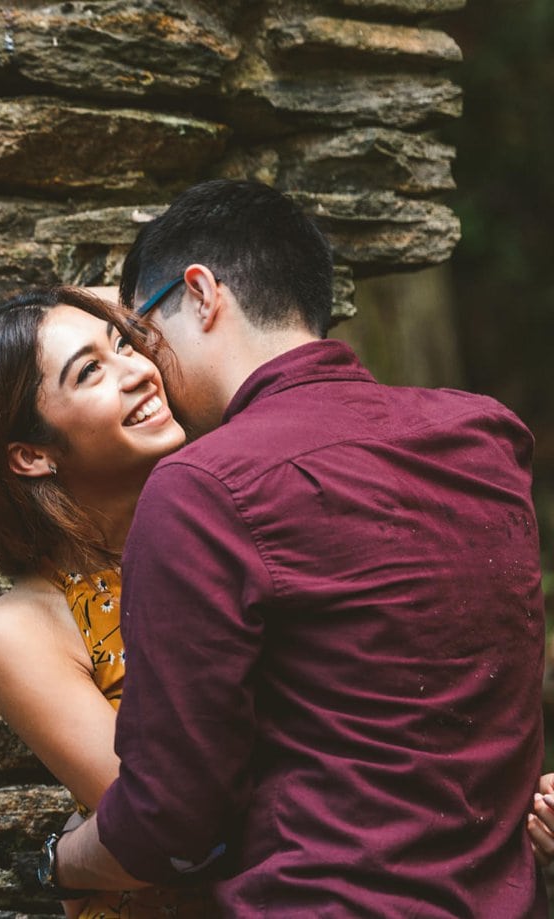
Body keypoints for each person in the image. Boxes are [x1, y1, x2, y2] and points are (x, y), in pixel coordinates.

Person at [45, 179, 545, 914]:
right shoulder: (487, 436)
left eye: (144, 334)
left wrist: (56, 862)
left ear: (202, 293)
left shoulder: (204, 486)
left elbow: (170, 817)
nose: (146, 368)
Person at [0, 285, 218, 918]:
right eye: (90, 370)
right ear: (32, 454)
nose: (140, 372)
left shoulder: (226, 535)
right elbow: (169, 824)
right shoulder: (24, 629)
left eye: (127, 345)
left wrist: (65, 859)